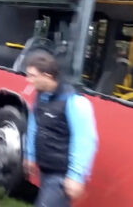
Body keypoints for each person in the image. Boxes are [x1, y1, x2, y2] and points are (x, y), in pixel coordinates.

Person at [23, 50, 98, 207]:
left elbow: (85, 139)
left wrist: (75, 176)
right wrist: (30, 155)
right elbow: (33, 125)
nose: (28, 80)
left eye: (32, 75)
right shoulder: (41, 96)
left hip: (61, 175)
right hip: (45, 170)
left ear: (47, 76)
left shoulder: (74, 101)